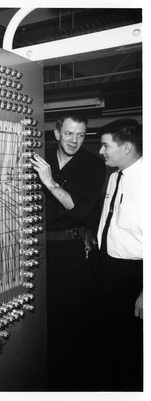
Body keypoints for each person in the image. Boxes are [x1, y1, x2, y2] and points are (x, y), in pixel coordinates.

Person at [30, 114, 106, 390]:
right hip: (40, 247)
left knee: (75, 320)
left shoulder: (93, 165)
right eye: (70, 133)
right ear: (57, 133)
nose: (75, 140)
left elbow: (81, 210)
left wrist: (50, 182)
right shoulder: (41, 157)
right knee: (44, 318)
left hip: (74, 250)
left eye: (81, 135)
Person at [96, 118, 143, 391]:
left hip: (136, 275)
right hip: (110, 270)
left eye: (105, 145)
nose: (101, 151)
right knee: (112, 340)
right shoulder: (115, 177)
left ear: (126, 148)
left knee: (132, 348)